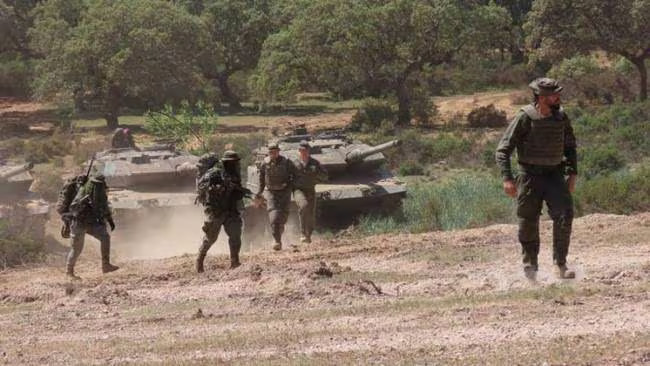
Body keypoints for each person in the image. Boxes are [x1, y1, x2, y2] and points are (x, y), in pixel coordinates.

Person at [495, 77, 578, 280]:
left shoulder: (562, 118)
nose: (558, 97)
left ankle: (561, 265)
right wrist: (507, 179)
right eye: (553, 95)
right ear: (541, 97)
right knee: (528, 221)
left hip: (555, 175)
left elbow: (570, 147)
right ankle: (530, 267)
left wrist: (572, 174)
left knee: (564, 216)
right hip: (530, 176)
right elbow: (503, 150)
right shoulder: (526, 117)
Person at [196, 150, 250, 272]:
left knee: (235, 234)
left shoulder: (235, 175)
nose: (234, 165)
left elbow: (237, 193)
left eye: (235, 162)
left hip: (230, 209)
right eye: (231, 162)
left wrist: (238, 192)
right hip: (216, 210)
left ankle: (235, 262)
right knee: (211, 238)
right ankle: (199, 260)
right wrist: (219, 188)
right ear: (225, 162)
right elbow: (207, 190)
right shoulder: (214, 173)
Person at [66, 174, 118, 279]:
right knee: (76, 249)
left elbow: (104, 207)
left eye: (100, 184)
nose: (98, 186)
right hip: (79, 223)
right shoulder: (82, 192)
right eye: (96, 184)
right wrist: (82, 203)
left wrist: (110, 220)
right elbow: (72, 208)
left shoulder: (100, 194)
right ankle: (69, 272)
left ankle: (106, 265)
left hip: (92, 223)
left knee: (105, 238)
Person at [255, 142, 298, 251]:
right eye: (270, 152)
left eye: (274, 151)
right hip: (271, 192)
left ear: (278, 151)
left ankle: (278, 235)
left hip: (284, 193)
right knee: (274, 217)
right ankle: (277, 241)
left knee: (282, 218)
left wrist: (290, 186)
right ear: (268, 153)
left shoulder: (287, 162)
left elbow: (296, 175)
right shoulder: (265, 163)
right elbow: (261, 180)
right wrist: (259, 193)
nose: (272, 154)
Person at [292, 140, 327, 243]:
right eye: (301, 150)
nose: (303, 152)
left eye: (305, 150)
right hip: (298, 190)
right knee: (303, 206)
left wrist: (317, 179)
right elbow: (288, 176)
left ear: (308, 151)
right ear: (299, 150)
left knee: (311, 214)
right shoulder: (294, 163)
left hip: (310, 190)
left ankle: (309, 235)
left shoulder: (315, 163)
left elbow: (324, 175)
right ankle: (302, 233)